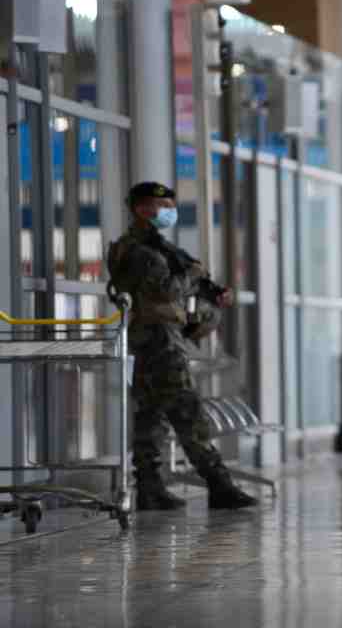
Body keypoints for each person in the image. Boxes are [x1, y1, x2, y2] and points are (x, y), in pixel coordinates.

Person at [107, 182, 258, 511]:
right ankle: (218, 483)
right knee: (188, 411)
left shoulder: (153, 248)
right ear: (143, 209)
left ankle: (149, 486)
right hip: (159, 341)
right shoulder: (139, 251)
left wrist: (209, 293)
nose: (169, 212)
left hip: (152, 338)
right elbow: (166, 291)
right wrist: (192, 275)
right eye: (163, 206)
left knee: (151, 415)